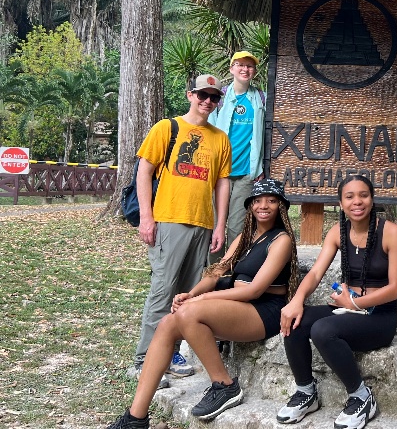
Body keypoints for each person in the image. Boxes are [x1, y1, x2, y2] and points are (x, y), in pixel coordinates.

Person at [107, 179, 302, 429]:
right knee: (167, 323)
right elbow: (216, 272)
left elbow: (254, 291)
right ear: (250, 205)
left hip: (265, 310)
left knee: (189, 313)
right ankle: (136, 418)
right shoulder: (246, 237)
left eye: (272, 201)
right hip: (238, 305)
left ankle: (225, 386)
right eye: (258, 200)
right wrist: (192, 293)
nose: (264, 205)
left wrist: (202, 300)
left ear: (281, 207)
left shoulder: (281, 240)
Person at [277, 175, 397, 429]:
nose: (357, 202)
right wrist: (296, 301)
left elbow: (396, 288)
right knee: (295, 321)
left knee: (322, 330)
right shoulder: (338, 232)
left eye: (363, 195)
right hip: (348, 308)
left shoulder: (391, 232)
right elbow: (315, 273)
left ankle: (361, 396)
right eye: (349, 197)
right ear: (340, 203)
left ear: (372, 199)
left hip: (378, 317)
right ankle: (306, 392)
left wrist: (355, 304)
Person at [130, 74, 232, 386]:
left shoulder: (220, 138)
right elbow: (144, 172)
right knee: (162, 291)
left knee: (185, 296)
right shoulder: (167, 128)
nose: (207, 102)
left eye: (214, 97)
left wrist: (220, 225)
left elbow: (222, 183)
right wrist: (147, 218)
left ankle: (170, 352)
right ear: (190, 94)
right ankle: (145, 360)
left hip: (202, 224)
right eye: (202, 95)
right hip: (170, 220)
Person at [209, 50, 266, 265]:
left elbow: (264, 136)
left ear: (254, 71)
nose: (245, 69)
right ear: (232, 68)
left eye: (250, 66)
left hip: (245, 173)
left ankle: (231, 271)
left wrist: (259, 167)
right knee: (215, 225)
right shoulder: (219, 98)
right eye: (240, 65)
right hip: (218, 173)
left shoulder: (260, 98)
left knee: (237, 227)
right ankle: (211, 272)